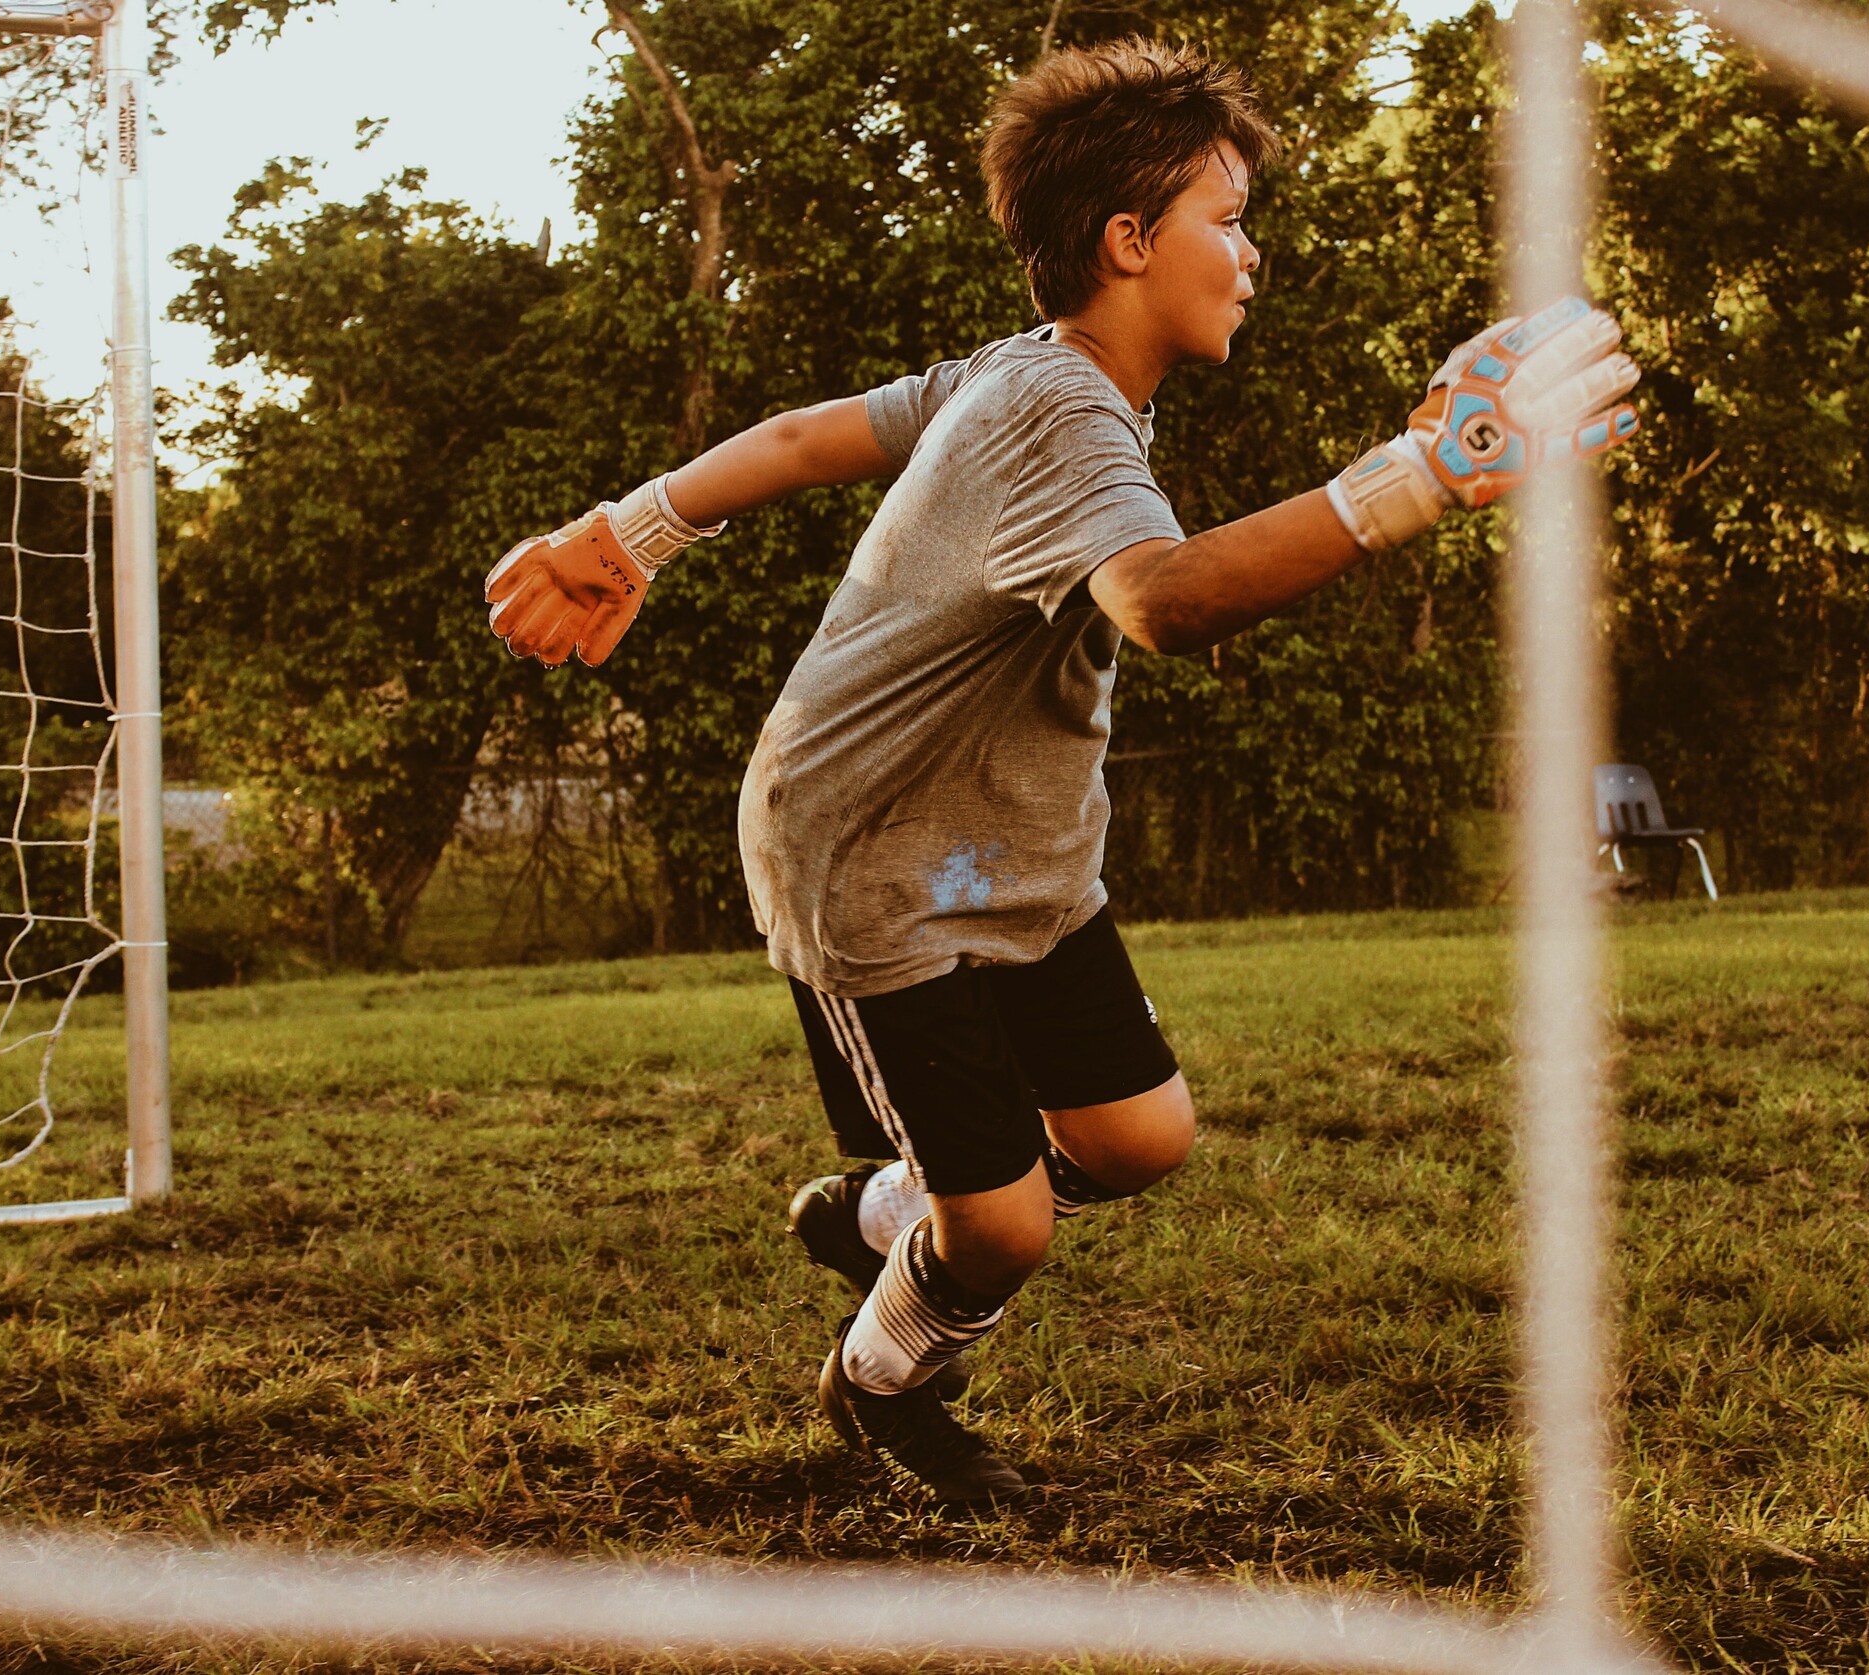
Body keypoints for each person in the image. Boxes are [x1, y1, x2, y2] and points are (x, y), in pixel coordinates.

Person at [482, 37, 1639, 1505]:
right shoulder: (1056, 408)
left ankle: (895, 1204)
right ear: (1127, 241)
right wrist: (1419, 474)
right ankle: (886, 1372)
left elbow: (800, 437)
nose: (1253, 254)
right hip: (879, 866)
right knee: (1009, 1230)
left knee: (1140, 1136)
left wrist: (629, 531)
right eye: (1228, 221)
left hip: (1003, 856)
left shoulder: (1017, 375)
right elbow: (1163, 602)